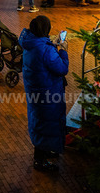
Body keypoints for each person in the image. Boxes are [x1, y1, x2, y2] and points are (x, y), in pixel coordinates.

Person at [19, 15, 69, 172]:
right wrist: (63, 51)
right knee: (46, 124)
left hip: (36, 92)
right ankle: (40, 160)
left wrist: (52, 45)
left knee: (41, 122)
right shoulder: (45, 49)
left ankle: (46, 151)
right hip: (48, 94)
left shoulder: (30, 43)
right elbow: (62, 69)